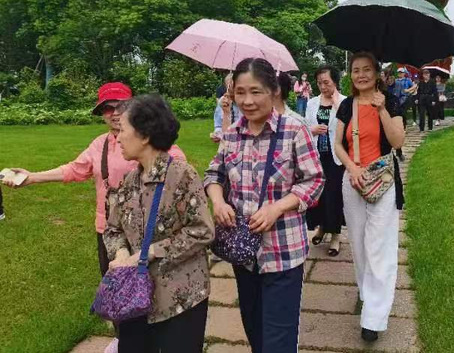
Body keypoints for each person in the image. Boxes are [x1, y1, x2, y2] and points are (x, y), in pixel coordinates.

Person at [3, 82, 186, 353]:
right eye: (107, 108)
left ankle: (153, 340)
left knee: (153, 290)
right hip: (109, 231)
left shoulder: (152, 140)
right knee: (118, 289)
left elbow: (178, 168)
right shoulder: (100, 144)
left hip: (147, 233)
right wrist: (32, 177)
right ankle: (124, 339)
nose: (114, 113)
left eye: (120, 106)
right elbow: (74, 169)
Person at [205, 58, 324, 353]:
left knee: (278, 339)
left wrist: (277, 208)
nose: (247, 101)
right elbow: (214, 174)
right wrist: (218, 201)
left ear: (273, 91)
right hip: (244, 252)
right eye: (240, 92)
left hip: (283, 251)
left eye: (255, 92)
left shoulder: (294, 130)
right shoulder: (231, 134)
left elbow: (314, 181)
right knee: (254, 329)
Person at [104, 94, 214, 352]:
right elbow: (113, 229)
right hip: (134, 298)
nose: (117, 138)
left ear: (144, 135)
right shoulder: (130, 181)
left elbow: (202, 231)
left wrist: (150, 252)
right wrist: (121, 255)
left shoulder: (182, 175)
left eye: (123, 130)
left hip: (179, 299)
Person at [334, 51, 405, 342]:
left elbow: (398, 141)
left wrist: (382, 109)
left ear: (377, 74)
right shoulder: (346, 105)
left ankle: (374, 317)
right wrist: (352, 168)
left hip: (383, 182)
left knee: (380, 246)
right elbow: (337, 144)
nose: (361, 75)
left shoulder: (391, 101)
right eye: (355, 70)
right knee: (359, 244)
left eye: (366, 69)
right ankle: (367, 292)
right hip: (353, 180)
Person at [305, 65, 346, 256]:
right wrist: (312, 130)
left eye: (326, 83)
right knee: (319, 195)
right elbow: (305, 127)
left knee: (334, 195)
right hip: (316, 157)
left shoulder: (344, 102)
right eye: (319, 83)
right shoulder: (312, 103)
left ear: (335, 82)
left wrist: (337, 104)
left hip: (336, 158)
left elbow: (349, 126)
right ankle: (322, 227)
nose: (323, 87)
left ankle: (336, 235)